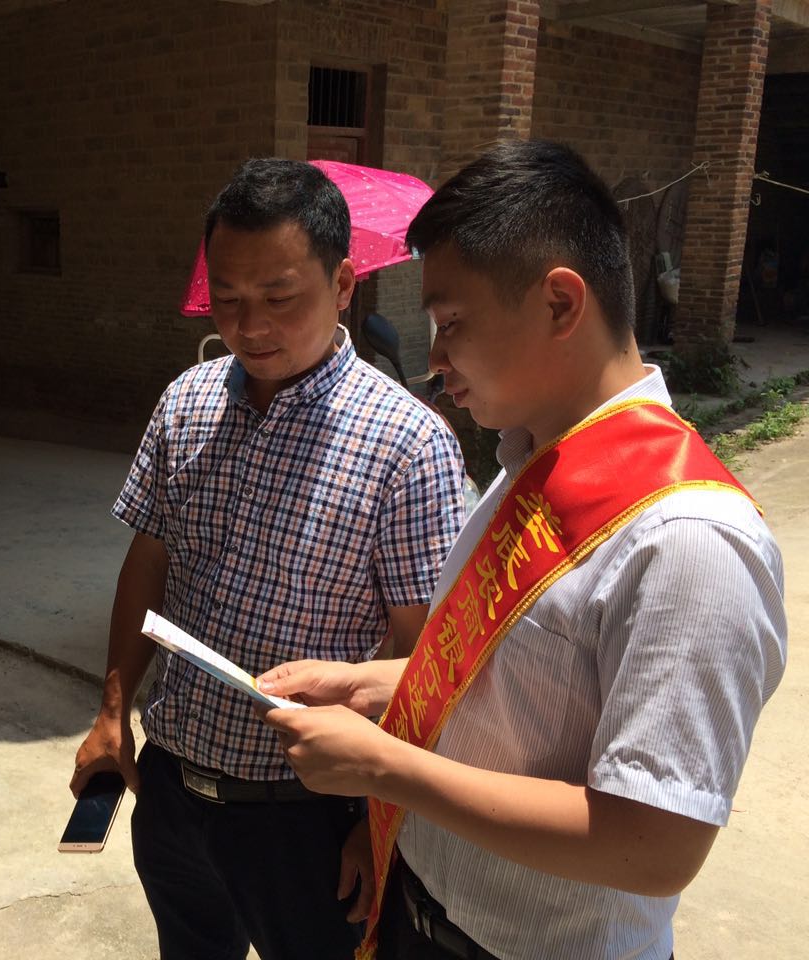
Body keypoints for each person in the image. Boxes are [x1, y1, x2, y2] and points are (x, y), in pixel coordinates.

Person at [259, 139, 788, 960]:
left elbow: (653, 844)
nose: (435, 360)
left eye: (452, 324)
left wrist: (385, 770)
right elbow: (525, 687)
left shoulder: (690, 542)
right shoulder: (529, 465)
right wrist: (378, 683)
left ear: (560, 304)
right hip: (420, 915)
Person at [70, 158, 466, 960]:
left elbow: (423, 651)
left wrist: (380, 819)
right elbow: (149, 561)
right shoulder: (186, 403)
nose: (250, 326)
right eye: (227, 298)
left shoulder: (408, 444)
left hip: (311, 816)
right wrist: (112, 712)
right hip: (173, 790)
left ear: (343, 284)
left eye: (280, 298)